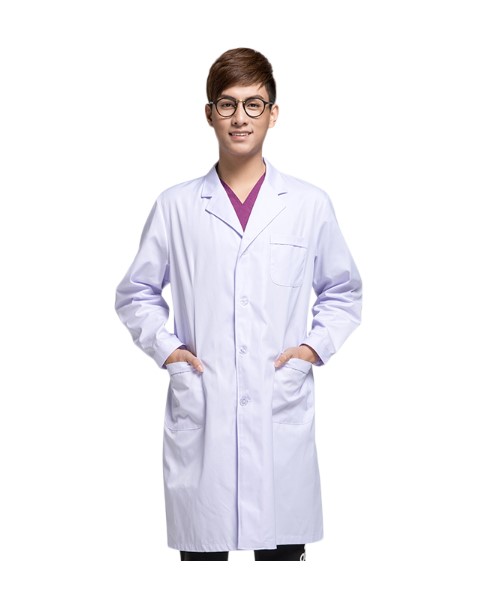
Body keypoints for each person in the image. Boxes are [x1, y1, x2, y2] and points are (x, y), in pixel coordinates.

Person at [115, 47, 362, 561]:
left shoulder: (308, 204)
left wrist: (311, 351)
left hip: (279, 406)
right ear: (209, 114)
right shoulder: (176, 206)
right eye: (227, 104)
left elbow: (343, 291)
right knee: (204, 555)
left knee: (282, 554)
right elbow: (136, 292)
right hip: (203, 408)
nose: (240, 118)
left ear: (274, 113)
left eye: (254, 104)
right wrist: (168, 351)